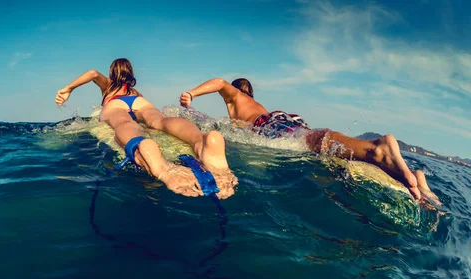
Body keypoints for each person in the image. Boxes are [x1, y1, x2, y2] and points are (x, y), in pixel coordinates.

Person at [179, 78, 440, 204]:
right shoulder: (255, 105)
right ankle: (408, 179)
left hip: (270, 125)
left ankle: (378, 149)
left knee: (311, 142)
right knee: (324, 153)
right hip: (283, 119)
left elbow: (220, 82)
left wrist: (190, 95)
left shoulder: (236, 98)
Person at [55, 59, 237, 199]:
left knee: (124, 123)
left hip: (114, 103)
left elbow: (93, 73)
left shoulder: (108, 86)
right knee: (161, 120)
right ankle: (200, 140)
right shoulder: (136, 92)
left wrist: (67, 89)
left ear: (112, 72)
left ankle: (141, 145)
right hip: (141, 103)